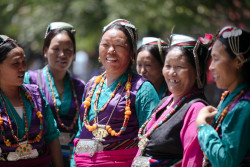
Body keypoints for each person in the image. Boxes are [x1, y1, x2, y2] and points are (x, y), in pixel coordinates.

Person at [71, 19, 160, 167]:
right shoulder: (91, 85)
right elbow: (81, 133)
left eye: (119, 45)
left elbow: (152, 140)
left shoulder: (143, 89)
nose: (111, 50)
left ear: (132, 52)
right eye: (105, 45)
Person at [132, 34, 210, 167]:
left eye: (179, 67)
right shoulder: (165, 102)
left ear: (196, 71)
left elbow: (193, 161)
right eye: (168, 66)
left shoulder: (196, 108)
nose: (172, 73)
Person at [23, 22, 85, 166]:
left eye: (68, 50)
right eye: (56, 49)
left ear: (74, 54)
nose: (62, 55)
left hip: (73, 157)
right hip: (41, 156)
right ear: (45, 51)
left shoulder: (80, 86)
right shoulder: (30, 80)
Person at [0, 35, 63, 166]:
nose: (23, 68)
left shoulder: (35, 94)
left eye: (24, 62)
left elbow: (52, 136)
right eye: (15, 63)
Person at [196, 26, 250, 167]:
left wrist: (202, 126)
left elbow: (226, 161)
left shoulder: (244, 106)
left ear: (238, 61)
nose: (211, 67)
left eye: (216, 59)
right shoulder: (233, 97)